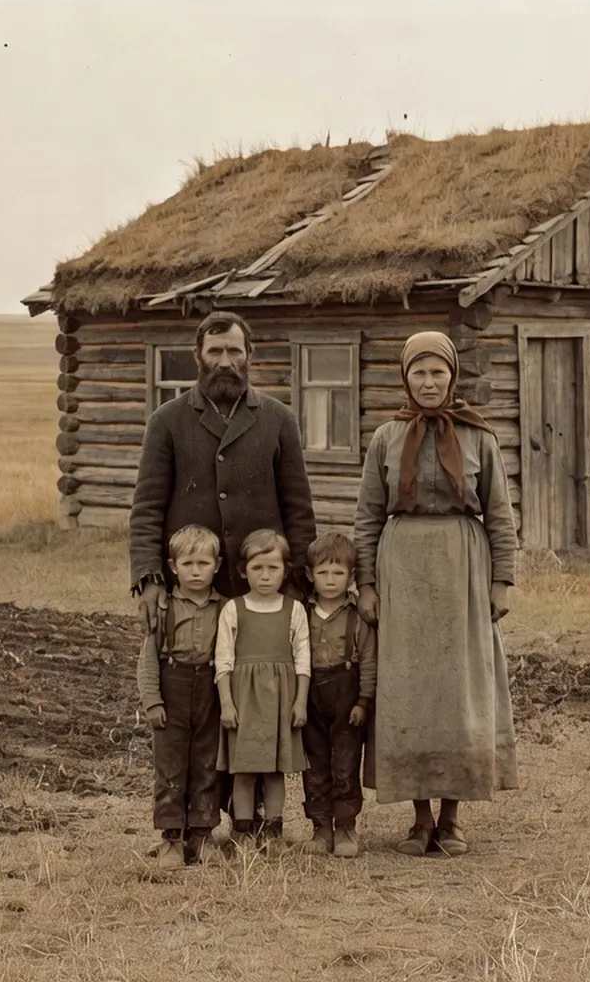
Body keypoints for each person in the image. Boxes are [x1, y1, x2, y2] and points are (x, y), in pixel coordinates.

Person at [129, 310, 317, 828]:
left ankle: (252, 817)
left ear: (250, 356)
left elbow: (299, 509)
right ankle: (193, 818)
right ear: (198, 358)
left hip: (259, 593)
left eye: (235, 351)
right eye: (216, 352)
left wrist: (297, 584)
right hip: (195, 596)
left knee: (256, 698)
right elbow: (146, 508)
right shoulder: (166, 422)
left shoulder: (278, 419)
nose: (226, 362)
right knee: (200, 706)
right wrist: (148, 578)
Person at [353, 330, 518, 857]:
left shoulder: (479, 438)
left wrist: (501, 580)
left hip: (463, 571)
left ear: (452, 377)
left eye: (438, 372)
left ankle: (452, 819)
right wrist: (368, 585)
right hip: (401, 571)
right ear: (406, 377)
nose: (429, 382)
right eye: (419, 372)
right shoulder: (386, 437)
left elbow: (500, 516)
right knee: (408, 690)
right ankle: (418, 819)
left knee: (458, 691)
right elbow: (366, 518)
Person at [135, 524, 224, 870]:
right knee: (170, 766)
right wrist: (153, 702)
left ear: (216, 565)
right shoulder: (164, 608)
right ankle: (171, 837)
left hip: (210, 689)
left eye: (203, 563)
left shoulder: (226, 608)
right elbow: (147, 660)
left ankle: (201, 835)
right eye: (188, 564)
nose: (196, 571)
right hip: (173, 687)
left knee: (207, 763)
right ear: (173, 567)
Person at [214, 528, 310, 849]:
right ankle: (242, 832)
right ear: (244, 571)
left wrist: (300, 703)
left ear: (286, 570)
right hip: (244, 702)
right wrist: (227, 704)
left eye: (273, 568)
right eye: (257, 568)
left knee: (274, 772)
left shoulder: (293, 610)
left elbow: (303, 661)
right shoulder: (233, 609)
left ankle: (272, 832)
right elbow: (223, 661)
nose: (266, 576)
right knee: (243, 771)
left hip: (281, 702)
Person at [300, 531, 376, 858]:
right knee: (315, 764)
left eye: (338, 573)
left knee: (344, 763)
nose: (330, 581)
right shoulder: (301, 614)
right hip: (310, 696)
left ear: (351, 576)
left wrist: (363, 701)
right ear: (309, 575)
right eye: (323, 573)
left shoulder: (357, 616)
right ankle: (320, 828)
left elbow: (370, 661)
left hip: (347, 696)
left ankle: (345, 826)